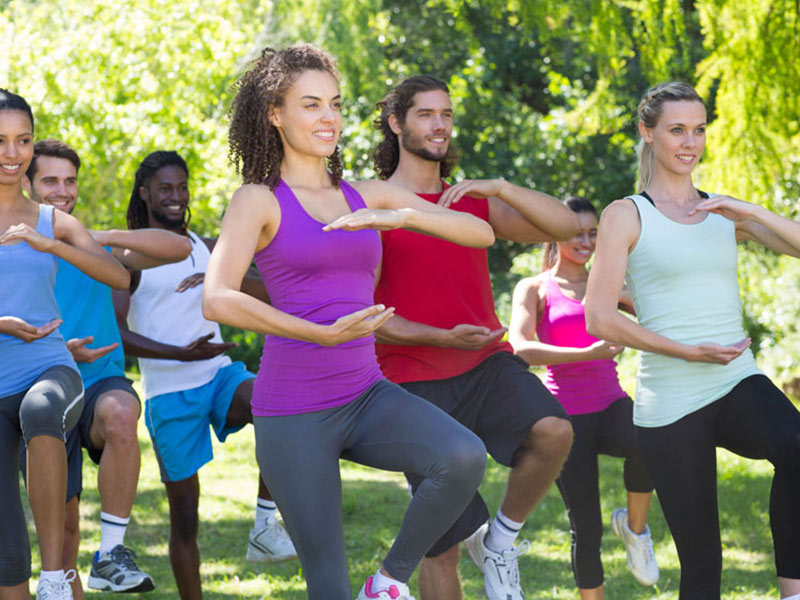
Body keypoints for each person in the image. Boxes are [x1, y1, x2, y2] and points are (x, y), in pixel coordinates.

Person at [203, 44, 495, 600]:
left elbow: (481, 234)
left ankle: (386, 583)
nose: (328, 118)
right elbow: (217, 298)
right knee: (326, 587)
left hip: (365, 394)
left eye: (334, 104)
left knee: (461, 457)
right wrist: (316, 332)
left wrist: (405, 214)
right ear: (275, 113)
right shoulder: (258, 200)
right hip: (294, 411)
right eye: (310, 105)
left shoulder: (369, 194)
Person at [585, 81, 800, 600]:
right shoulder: (627, 214)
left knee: (797, 447)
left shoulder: (721, 214)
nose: (690, 142)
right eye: (677, 129)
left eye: (699, 129)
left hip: (734, 379)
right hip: (671, 404)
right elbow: (599, 318)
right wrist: (686, 351)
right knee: (704, 568)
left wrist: (751, 212)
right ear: (647, 132)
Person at [371, 75, 578, 600]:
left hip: (486, 364)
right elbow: (364, 314)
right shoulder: (372, 205)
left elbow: (564, 225)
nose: (439, 124)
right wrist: (439, 337)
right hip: (412, 381)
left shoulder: (470, 202)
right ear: (396, 124)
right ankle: (476, 546)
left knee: (554, 430)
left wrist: (501, 188)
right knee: (440, 544)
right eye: (425, 114)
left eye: (446, 114)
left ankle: (502, 541)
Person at [112, 150, 296, 600]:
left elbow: (270, 288)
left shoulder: (203, 245)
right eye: (165, 189)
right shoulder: (127, 256)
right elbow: (117, 337)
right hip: (169, 395)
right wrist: (179, 353)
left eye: (181, 187)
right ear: (145, 195)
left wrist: (222, 276)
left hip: (217, 374)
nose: (176, 197)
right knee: (185, 520)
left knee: (275, 401)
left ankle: (264, 523)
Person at [21, 138, 192, 597]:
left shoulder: (92, 245)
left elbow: (177, 248)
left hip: (99, 380)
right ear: (27, 183)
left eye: (70, 180)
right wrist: (58, 350)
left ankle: (112, 552)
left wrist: (98, 237)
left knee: (121, 412)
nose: (63, 190)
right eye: (50, 180)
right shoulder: (14, 248)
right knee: (64, 536)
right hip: (41, 389)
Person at [0, 89, 129, 600]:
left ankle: (56, 577)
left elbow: (117, 274)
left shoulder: (52, 220)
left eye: (23, 140)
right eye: (1, 141)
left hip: (48, 368)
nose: (13, 154)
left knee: (41, 408)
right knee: (7, 555)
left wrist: (51, 243)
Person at [508, 195, 659, 599]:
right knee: (586, 526)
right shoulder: (535, 288)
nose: (585, 240)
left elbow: (659, 318)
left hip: (611, 404)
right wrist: (585, 353)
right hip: (566, 420)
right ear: (554, 234)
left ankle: (635, 528)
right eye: (576, 232)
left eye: (593, 232)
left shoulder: (608, 284)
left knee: (650, 437)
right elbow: (520, 347)